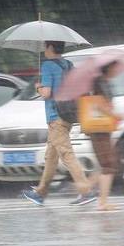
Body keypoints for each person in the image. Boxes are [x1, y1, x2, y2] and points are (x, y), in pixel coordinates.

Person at [23, 41, 96, 206]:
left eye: (45, 46)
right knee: (51, 157)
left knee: (67, 154)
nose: (44, 49)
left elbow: (47, 93)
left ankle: (86, 191)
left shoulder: (48, 66)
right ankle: (40, 193)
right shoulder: (68, 65)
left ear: (50, 48)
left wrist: (38, 87)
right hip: (68, 114)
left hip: (55, 117)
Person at [90, 62, 122, 211]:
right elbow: (98, 105)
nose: (117, 69)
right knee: (108, 164)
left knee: (107, 163)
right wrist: (114, 115)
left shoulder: (104, 82)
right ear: (109, 67)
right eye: (115, 67)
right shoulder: (100, 82)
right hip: (99, 128)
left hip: (103, 128)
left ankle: (85, 188)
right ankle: (102, 202)